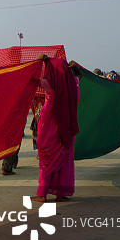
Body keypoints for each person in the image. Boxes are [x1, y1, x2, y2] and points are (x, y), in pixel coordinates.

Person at [32, 57, 79, 203]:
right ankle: (61, 193)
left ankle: (42, 194)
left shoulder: (49, 86)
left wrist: (39, 62)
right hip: (67, 130)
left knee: (46, 161)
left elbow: (33, 80)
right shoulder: (74, 84)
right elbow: (77, 76)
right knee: (64, 162)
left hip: (49, 131)